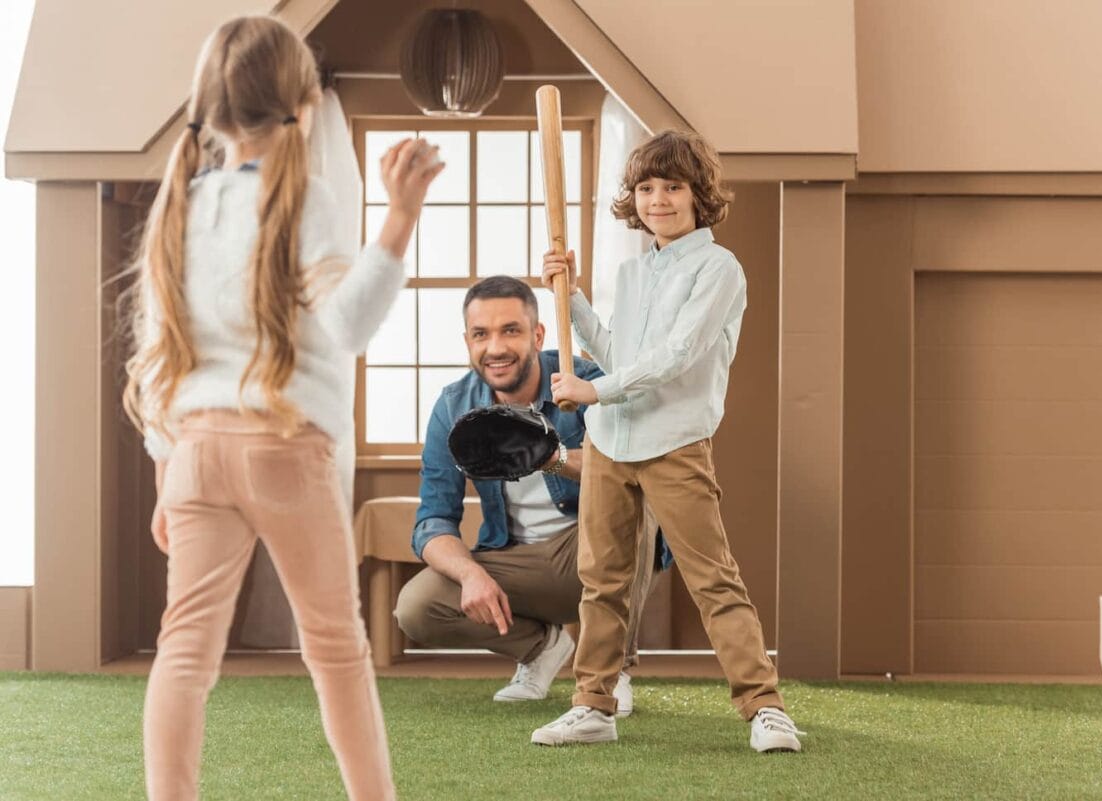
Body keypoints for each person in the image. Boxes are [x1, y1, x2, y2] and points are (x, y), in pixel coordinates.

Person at [122, 15, 443, 799]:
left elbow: (160, 352)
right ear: (301, 100)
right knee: (336, 649)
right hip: (284, 448)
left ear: (213, 105)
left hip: (194, 449)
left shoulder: (181, 205)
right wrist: (399, 220)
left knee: (184, 652)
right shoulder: (307, 196)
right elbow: (347, 326)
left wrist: (168, 468)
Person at [533, 130, 803, 752]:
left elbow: (677, 356)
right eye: (647, 187)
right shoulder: (632, 272)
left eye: (672, 187)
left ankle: (764, 707)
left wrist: (594, 392)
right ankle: (593, 706)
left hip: (674, 442)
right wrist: (569, 296)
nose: (658, 199)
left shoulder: (720, 269)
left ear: (698, 195)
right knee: (601, 581)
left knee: (713, 579)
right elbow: (617, 352)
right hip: (609, 444)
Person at [397, 275, 663, 713]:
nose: (496, 347)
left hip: (590, 547)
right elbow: (433, 521)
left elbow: (637, 469)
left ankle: (612, 671)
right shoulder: (453, 406)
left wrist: (549, 457)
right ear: (468, 341)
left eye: (511, 331)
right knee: (418, 607)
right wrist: (469, 575)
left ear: (537, 335)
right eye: (481, 334)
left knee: (637, 511)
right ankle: (542, 649)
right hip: (515, 557)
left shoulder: (589, 382)